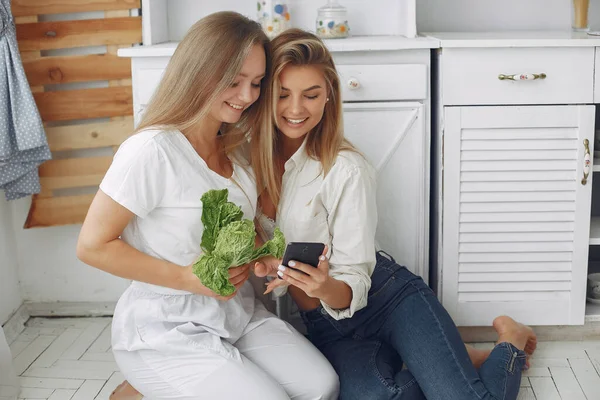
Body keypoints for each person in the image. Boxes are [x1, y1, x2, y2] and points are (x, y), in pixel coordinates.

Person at [253, 28, 537, 400]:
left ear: (329, 97)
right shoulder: (246, 160)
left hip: (388, 299)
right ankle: (447, 362)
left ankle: (509, 343)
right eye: (282, 94)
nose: (295, 109)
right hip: (328, 327)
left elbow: (352, 279)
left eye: (311, 95)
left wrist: (323, 286)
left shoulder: (347, 169)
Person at [76, 14, 338, 400]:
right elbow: (92, 246)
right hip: (167, 326)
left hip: (237, 315)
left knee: (321, 386)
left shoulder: (237, 148)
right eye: (234, 82)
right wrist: (187, 278)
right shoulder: (152, 151)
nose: (248, 95)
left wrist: (264, 258)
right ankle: (142, 385)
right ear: (199, 72)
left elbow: (241, 231)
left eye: (256, 83)